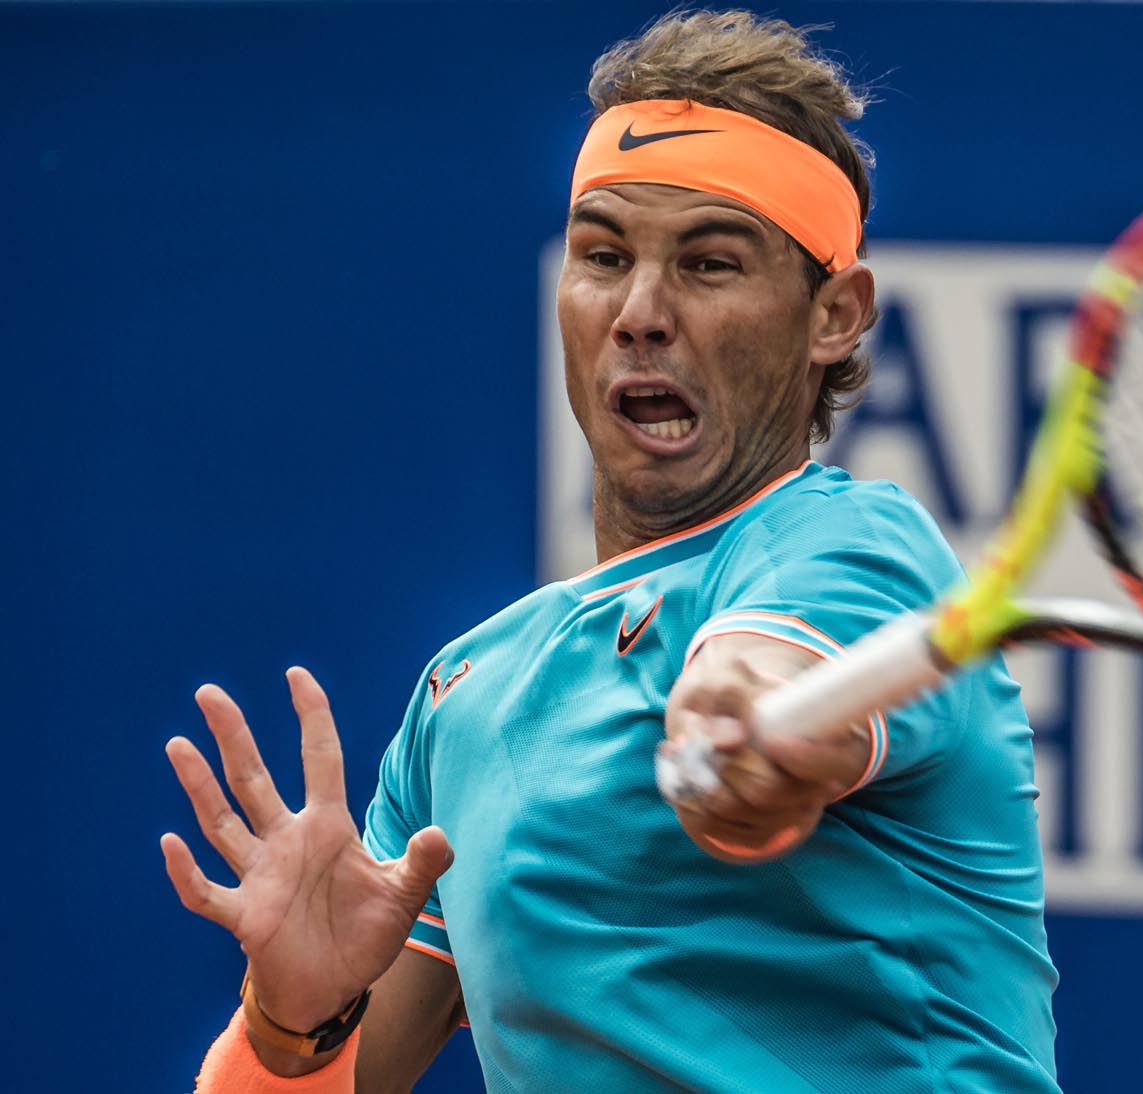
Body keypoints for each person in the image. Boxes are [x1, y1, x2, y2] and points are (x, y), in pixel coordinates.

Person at [161, 11, 1059, 1093]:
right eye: (602, 256)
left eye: (709, 264)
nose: (639, 313)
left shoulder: (855, 547)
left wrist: (747, 727)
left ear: (834, 314)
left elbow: (766, 671)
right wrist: (292, 1019)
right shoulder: (465, 694)